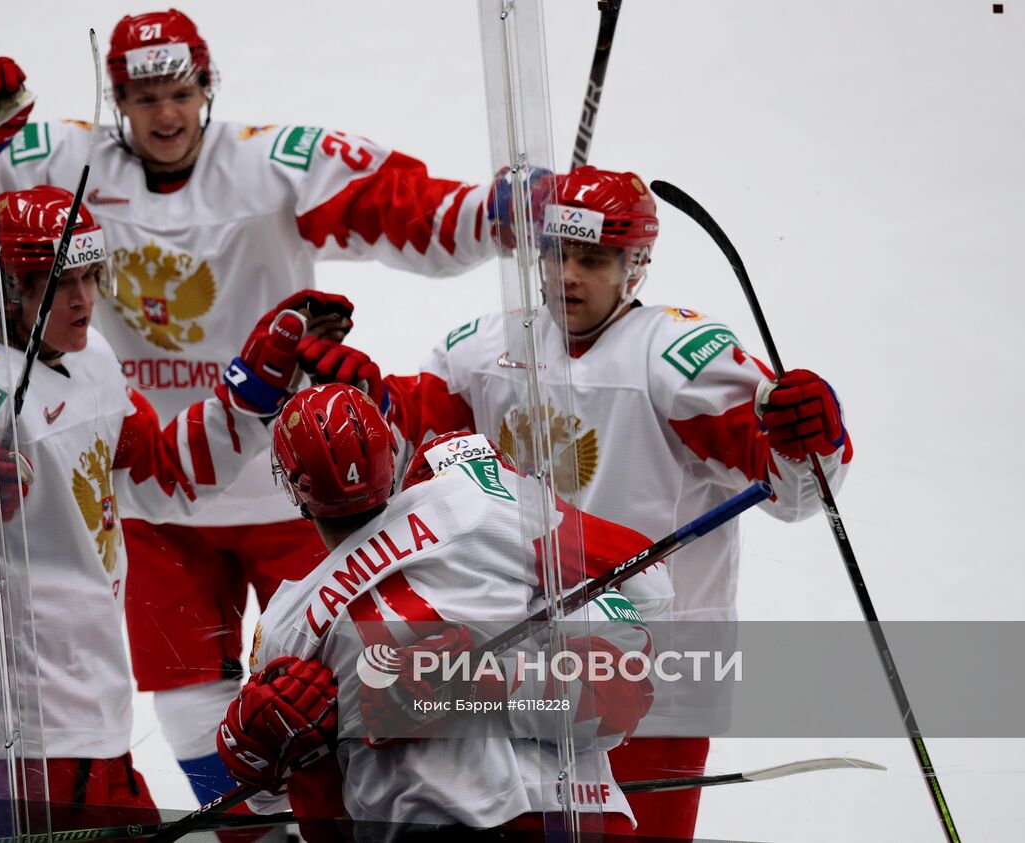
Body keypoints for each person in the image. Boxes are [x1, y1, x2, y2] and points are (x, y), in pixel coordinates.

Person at [0, 8, 503, 803]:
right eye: (145, 100)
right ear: (117, 101)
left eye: (180, 92)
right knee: (185, 706)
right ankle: (256, 826)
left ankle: (350, 815)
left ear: (207, 86)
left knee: (340, 681)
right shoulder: (61, 162)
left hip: (295, 480)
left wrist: (512, 211)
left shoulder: (273, 163)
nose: (167, 115)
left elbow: (420, 217)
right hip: (157, 480)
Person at [297, 166, 853, 839]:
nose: (567, 276)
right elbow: (417, 439)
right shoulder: (487, 347)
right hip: (523, 666)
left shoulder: (676, 355)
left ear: (636, 265)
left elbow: (795, 491)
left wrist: (810, 435)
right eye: (556, 254)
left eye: (592, 259)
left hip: (660, 668)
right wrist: (369, 392)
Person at [0, 186, 320, 838]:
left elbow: (160, 475)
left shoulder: (91, 359)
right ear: (7, 289)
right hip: (10, 720)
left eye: (91, 276)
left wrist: (249, 397)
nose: (84, 298)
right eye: (59, 281)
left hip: (79, 699)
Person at [216, 384, 675, 841]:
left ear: (293, 486)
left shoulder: (284, 622)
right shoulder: (481, 503)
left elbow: (270, 800)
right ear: (391, 459)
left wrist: (248, 748)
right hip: (574, 813)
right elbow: (650, 586)